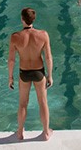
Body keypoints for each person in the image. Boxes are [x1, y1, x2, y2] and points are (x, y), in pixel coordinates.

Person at [8, 8, 53, 141]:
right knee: (43, 102)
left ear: (22, 19)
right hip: (39, 72)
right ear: (34, 19)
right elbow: (48, 57)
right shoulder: (43, 35)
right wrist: (50, 76)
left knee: (23, 104)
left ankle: (20, 132)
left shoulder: (15, 37)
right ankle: (45, 132)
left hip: (24, 73)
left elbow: (11, 60)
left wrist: (10, 77)